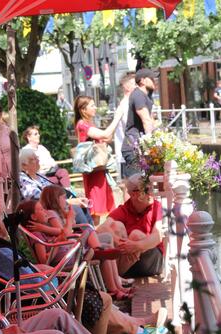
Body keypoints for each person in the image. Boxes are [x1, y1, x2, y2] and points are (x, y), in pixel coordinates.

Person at [0, 196, 169, 334]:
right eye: (4, 215)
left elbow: (22, 276)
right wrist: (54, 276)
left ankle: (136, 331)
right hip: (33, 303)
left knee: (97, 295)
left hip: (27, 299)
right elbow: (35, 284)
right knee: (100, 299)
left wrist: (39, 269)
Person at [38, 185, 133, 300]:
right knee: (92, 234)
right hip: (67, 252)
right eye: (63, 198)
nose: (66, 200)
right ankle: (114, 289)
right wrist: (69, 219)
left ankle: (117, 287)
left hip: (69, 248)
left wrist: (68, 217)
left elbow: (67, 229)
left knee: (104, 247)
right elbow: (63, 232)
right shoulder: (51, 213)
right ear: (55, 199)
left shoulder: (56, 213)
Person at [73, 95, 124, 224]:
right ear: (83, 109)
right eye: (92, 105)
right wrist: (117, 118)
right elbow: (105, 134)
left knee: (102, 206)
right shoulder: (82, 125)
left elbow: (107, 137)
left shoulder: (88, 124)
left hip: (98, 170)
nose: (95, 107)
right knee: (95, 208)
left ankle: (98, 232)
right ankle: (93, 233)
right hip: (93, 172)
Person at [110, 174, 164, 279]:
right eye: (147, 189)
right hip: (130, 262)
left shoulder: (156, 206)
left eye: (152, 188)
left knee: (136, 235)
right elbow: (102, 228)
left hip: (152, 260)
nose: (151, 192)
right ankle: (116, 279)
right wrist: (123, 244)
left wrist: (136, 245)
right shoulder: (125, 208)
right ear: (134, 194)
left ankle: (114, 278)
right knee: (116, 226)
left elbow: (158, 237)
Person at [18, 149, 93, 226]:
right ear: (24, 165)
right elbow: (40, 199)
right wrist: (69, 202)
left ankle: (90, 231)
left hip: (56, 206)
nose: (38, 160)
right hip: (44, 211)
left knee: (83, 206)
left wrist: (70, 200)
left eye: (37, 157)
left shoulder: (40, 176)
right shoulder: (22, 179)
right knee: (75, 208)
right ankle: (86, 232)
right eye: (33, 159)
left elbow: (53, 192)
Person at [123, 68, 158, 179]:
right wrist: (152, 144)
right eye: (152, 78)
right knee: (137, 183)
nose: (155, 81)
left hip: (139, 145)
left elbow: (151, 121)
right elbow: (146, 120)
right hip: (134, 147)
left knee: (144, 183)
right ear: (142, 81)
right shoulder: (138, 95)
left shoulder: (146, 96)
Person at [114, 72, 136, 180]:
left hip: (127, 151)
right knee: (132, 183)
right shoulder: (126, 105)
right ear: (126, 87)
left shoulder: (127, 103)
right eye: (135, 84)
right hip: (129, 152)